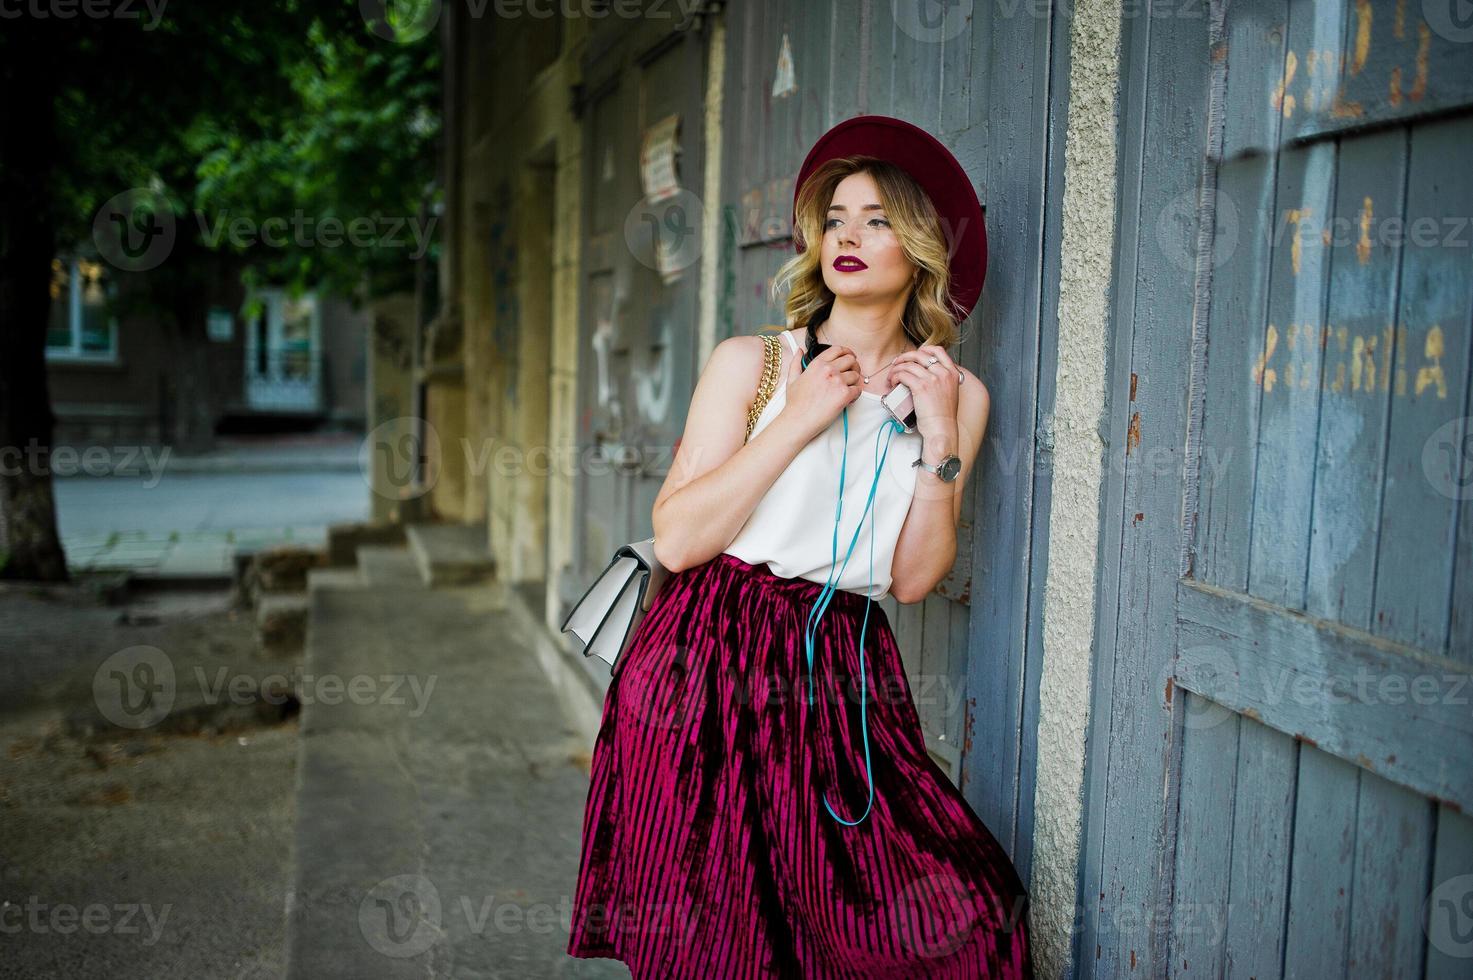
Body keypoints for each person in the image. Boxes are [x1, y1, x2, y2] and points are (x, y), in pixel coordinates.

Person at [567, 115, 1034, 979]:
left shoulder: (956, 393)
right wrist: (798, 420)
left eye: (878, 219)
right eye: (836, 217)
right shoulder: (754, 364)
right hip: (706, 650)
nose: (847, 236)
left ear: (924, 246)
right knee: (721, 940)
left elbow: (913, 577)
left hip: (846, 667)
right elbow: (679, 533)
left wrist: (937, 438)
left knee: (963, 913)